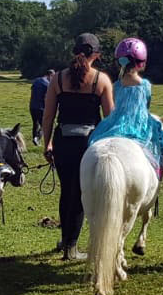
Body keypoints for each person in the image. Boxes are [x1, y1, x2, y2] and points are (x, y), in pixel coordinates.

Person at [41, 33, 115, 260]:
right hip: (89, 144)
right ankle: (71, 247)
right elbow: (109, 118)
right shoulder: (100, 80)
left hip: (63, 141)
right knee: (81, 194)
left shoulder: (58, 79)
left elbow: (48, 117)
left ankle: (66, 241)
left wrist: (48, 144)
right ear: (97, 55)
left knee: (66, 192)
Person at [89, 37, 163, 175]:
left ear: (119, 64)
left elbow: (114, 104)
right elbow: (145, 106)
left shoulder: (116, 85)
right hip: (138, 123)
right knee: (159, 130)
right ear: (141, 63)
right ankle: (162, 160)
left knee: (95, 138)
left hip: (116, 122)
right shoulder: (145, 85)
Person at [28, 68, 55, 145]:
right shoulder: (47, 84)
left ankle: (34, 139)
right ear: (50, 75)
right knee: (45, 125)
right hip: (41, 107)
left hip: (32, 106)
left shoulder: (36, 80)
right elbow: (47, 97)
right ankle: (37, 138)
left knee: (35, 123)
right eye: (52, 77)